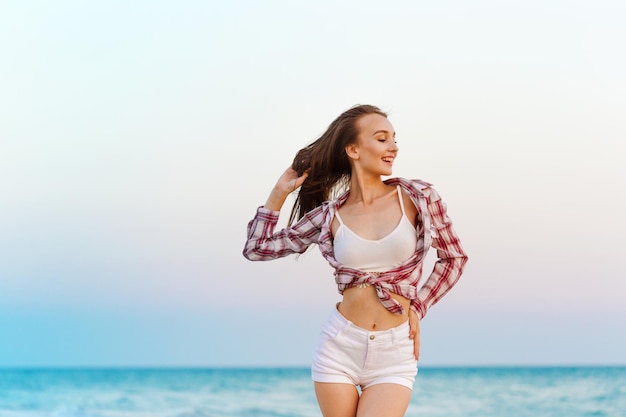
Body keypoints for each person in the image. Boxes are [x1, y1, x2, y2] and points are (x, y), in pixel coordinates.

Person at [243, 104, 468, 417]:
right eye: (381, 139)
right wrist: (277, 195)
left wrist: (418, 306)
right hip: (340, 345)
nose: (393, 147)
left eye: (394, 139)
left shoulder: (418, 197)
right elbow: (258, 248)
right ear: (353, 149)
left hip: (394, 350)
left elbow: (453, 258)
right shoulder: (328, 216)